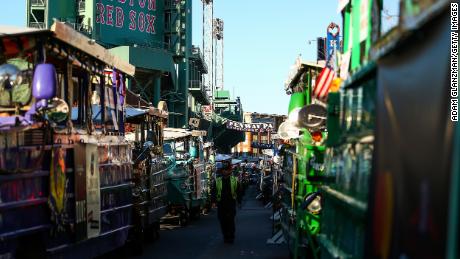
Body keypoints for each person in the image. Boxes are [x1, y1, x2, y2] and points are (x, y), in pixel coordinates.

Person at [212, 159, 239, 244]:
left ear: (230, 171)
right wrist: (213, 202)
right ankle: (225, 236)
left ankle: (231, 236)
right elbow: (214, 192)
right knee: (223, 221)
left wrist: (239, 201)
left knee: (230, 221)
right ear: (221, 171)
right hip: (221, 204)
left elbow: (239, 190)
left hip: (231, 203)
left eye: (227, 170)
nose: (225, 172)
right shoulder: (218, 181)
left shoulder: (234, 180)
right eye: (223, 170)